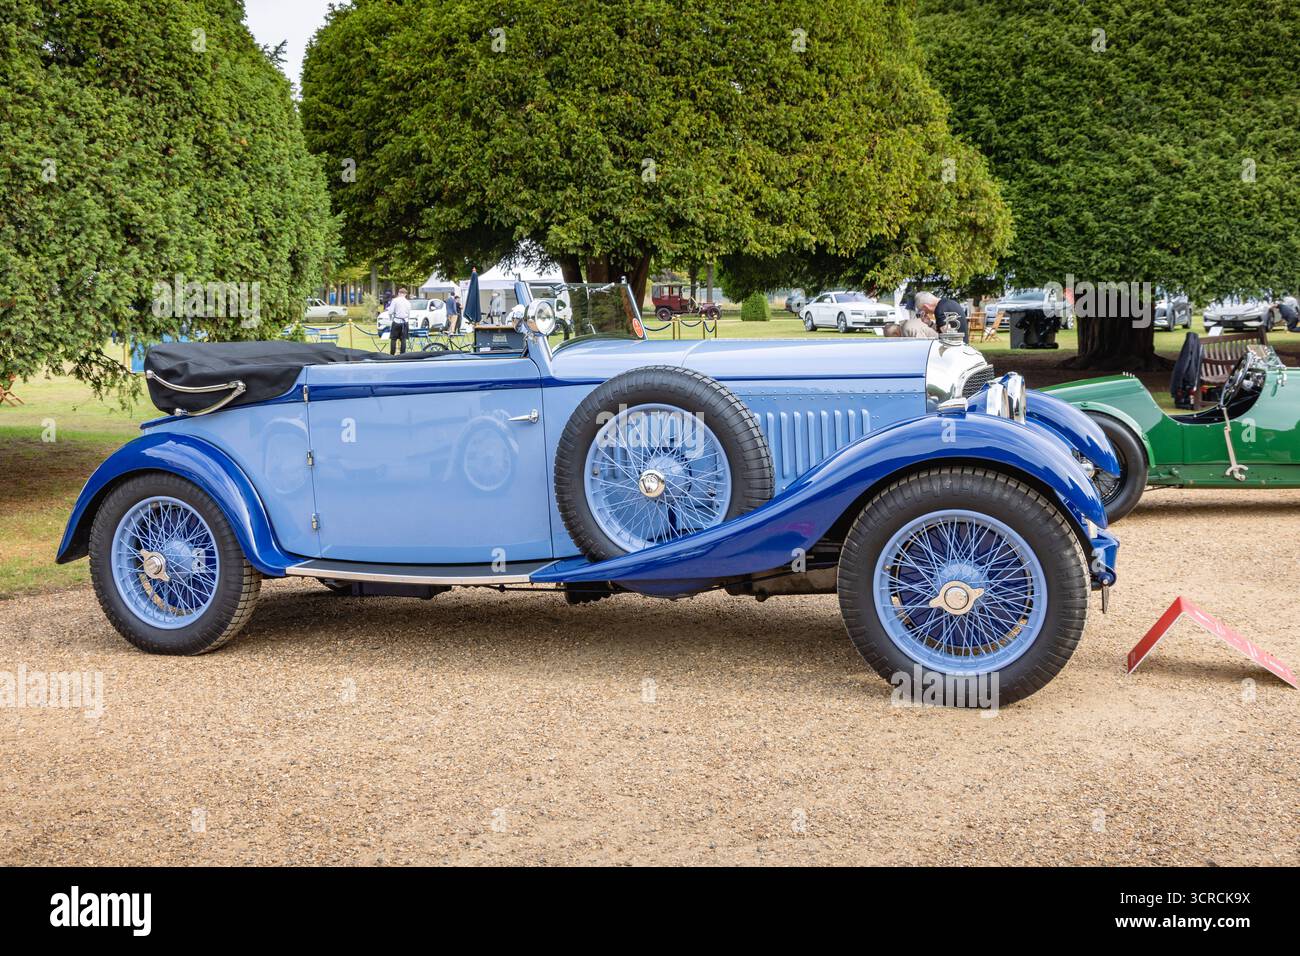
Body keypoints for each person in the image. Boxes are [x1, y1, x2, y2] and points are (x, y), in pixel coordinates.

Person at [389, 287, 411, 354]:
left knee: (393, 339)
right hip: (405, 322)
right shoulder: (408, 302)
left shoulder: (395, 300)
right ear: (405, 294)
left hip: (396, 321)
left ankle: (392, 354)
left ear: (399, 293)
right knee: (403, 340)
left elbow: (390, 312)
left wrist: (391, 319)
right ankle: (403, 355)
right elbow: (408, 313)